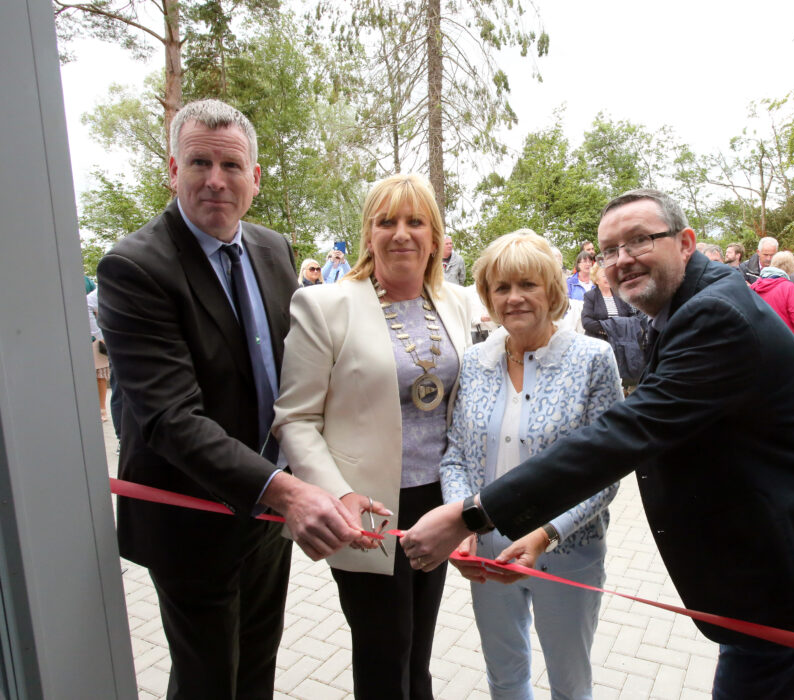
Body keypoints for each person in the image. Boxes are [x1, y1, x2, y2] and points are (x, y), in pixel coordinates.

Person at [401, 189, 794, 700]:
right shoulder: (685, 308)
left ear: (686, 243)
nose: (624, 259)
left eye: (640, 240)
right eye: (610, 250)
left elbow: (623, 436)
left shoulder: (715, 315)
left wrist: (471, 514)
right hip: (771, 556)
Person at [97, 99, 362, 700]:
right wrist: (289, 491)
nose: (216, 179)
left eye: (231, 165)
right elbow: (169, 419)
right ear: (172, 169)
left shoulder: (273, 248)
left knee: (256, 668)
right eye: (199, 162)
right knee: (208, 679)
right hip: (189, 515)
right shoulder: (133, 268)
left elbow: (304, 372)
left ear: (255, 178)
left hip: (266, 513)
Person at [273, 173, 473, 700]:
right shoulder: (324, 306)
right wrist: (337, 496)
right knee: (386, 653)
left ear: (435, 235)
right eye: (386, 221)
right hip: (365, 509)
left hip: (439, 503)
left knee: (420, 652)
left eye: (416, 222)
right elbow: (294, 418)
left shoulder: (455, 302)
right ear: (368, 233)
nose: (401, 233)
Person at [440, 229, 621, 699]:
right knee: (504, 675)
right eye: (501, 287)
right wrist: (463, 523)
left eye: (527, 285)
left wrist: (545, 534)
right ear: (487, 296)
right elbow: (456, 455)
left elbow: (606, 470)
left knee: (568, 682)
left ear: (552, 290)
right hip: (487, 544)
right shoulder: (475, 361)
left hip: (566, 548)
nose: (514, 298)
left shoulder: (593, 359)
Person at [749, 251, 794, 342]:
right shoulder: (788, 288)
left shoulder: (755, 285)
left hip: (759, 339)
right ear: (791, 267)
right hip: (784, 340)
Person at [581, 264, 636, 339]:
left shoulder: (619, 294)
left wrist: (622, 327)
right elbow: (586, 322)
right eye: (604, 276)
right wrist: (609, 328)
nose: (608, 278)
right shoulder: (590, 296)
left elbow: (633, 317)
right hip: (600, 340)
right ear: (596, 280)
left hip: (622, 340)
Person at [86, 287, 110, 421]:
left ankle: (102, 409)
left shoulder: (86, 281)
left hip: (96, 340)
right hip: (94, 339)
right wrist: (99, 335)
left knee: (101, 375)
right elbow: (88, 303)